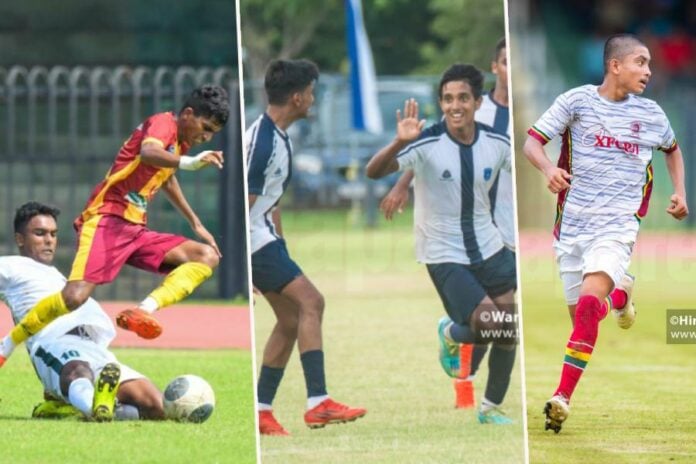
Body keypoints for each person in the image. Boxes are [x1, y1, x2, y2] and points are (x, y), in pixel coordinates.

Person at [523, 33, 688, 433]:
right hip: (573, 226)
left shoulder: (651, 114)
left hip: (618, 224)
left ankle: (561, 398)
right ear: (615, 65)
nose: (648, 71)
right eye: (640, 62)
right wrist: (549, 170)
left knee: (586, 307)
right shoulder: (576, 101)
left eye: (648, 64)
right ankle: (621, 293)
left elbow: (672, 149)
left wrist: (680, 192)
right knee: (583, 316)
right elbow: (532, 142)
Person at [0, 85, 230, 365]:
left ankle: (141, 311)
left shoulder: (179, 144)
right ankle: (7, 346)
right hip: (107, 219)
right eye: (204, 127)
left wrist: (195, 223)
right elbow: (148, 153)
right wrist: (191, 163)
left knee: (205, 255)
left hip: (135, 230)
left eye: (212, 134)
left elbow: (166, 176)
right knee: (74, 297)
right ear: (188, 114)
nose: (205, 137)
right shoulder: (163, 123)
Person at [366, 64, 518, 424]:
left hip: (490, 244)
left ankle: (490, 409)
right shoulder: (425, 142)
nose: (455, 106)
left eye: (463, 98)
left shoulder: (497, 143)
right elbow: (374, 171)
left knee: (510, 329)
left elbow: (528, 171)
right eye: (448, 98)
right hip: (443, 252)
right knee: (489, 325)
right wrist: (399, 142)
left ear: (478, 102)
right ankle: (449, 332)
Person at [247, 59, 366, 436]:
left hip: (266, 240)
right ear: (297, 97)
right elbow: (244, 203)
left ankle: (262, 412)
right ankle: (319, 403)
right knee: (312, 303)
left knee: (290, 319)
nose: (313, 100)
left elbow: (271, 200)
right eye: (311, 93)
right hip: (253, 242)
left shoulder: (278, 136)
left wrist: (281, 247)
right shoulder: (263, 141)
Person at [1, 202, 165, 421]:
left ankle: (84, 407)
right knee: (78, 373)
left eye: (53, 234)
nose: (49, 240)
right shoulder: (11, 266)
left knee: (155, 405)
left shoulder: (58, 275)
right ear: (20, 239)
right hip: (53, 341)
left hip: (93, 346)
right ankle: (91, 408)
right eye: (39, 233)